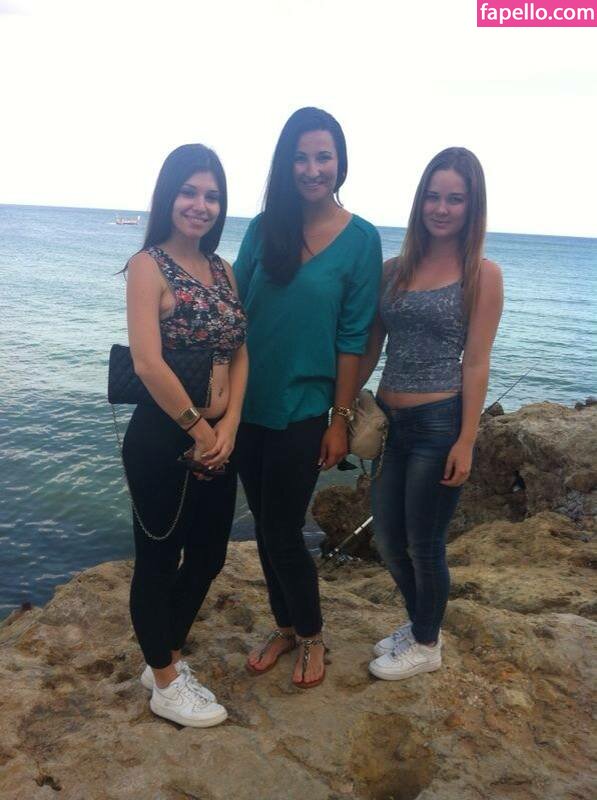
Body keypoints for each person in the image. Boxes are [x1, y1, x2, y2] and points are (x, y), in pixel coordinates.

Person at [233, 107, 382, 688]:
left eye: (323, 156)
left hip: (303, 409)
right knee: (265, 526)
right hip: (245, 406)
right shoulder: (263, 228)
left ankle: (313, 634)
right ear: (285, 164)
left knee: (282, 529)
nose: (312, 168)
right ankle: (286, 626)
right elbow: (234, 309)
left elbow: (353, 338)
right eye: (300, 157)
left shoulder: (361, 240)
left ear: (340, 162)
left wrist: (339, 419)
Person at [359, 147, 503, 681]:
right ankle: (422, 622)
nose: (441, 208)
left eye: (455, 199)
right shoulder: (394, 270)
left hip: (439, 423)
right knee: (388, 540)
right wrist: (342, 403)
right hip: (389, 423)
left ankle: (425, 643)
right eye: (433, 197)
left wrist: (467, 439)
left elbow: (477, 362)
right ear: (421, 201)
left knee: (424, 543)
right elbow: (371, 346)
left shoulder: (482, 275)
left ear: (471, 207)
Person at [122, 144, 248, 725]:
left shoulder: (222, 270)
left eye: (212, 196)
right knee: (158, 558)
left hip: (218, 436)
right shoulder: (147, 265)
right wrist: (197, 428)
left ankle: (162, 658)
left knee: (209, 555)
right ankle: (167, 681)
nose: (201, 205)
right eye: (190, 192)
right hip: (164, 437)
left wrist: (230, 423)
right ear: (169, 197)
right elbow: (147, 362)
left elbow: (239, 350)